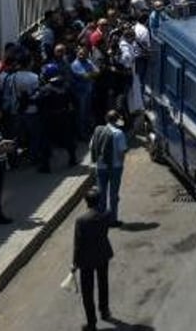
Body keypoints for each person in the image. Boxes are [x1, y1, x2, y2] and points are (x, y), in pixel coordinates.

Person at [73, 187, 114, 331]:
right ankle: (105, 310)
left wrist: (75, 263)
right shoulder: (106, 215)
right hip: (103, 254)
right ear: (98, 201)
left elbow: (78, 244)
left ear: (86, 202)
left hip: (86, 259)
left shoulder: (81, 221)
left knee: (87, 291)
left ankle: (92, 323)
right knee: (103, 283)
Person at [89, 110, 127, 226]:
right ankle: (112, 220)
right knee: (113, 195)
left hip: (100, 167)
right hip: (115, 167)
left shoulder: (98, 131)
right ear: (117, 120)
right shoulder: (119, 133)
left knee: (101, 194)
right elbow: (122, 151)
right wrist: (121, 162)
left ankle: (101, 219)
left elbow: (91, 146)